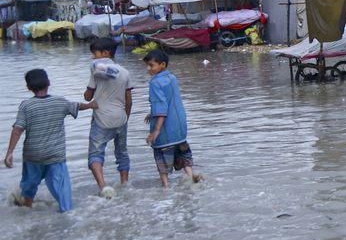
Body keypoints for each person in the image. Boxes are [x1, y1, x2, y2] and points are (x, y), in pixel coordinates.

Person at [5, 69, 97, 212]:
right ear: (48, 83)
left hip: (33, 155)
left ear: (28, 88)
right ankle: (66, 211)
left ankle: (27, 208)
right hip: (55, 154)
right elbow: (78, 106)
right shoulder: (59, 102)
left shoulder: (26, 106)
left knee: (29, 184)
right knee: (61, 187)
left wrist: (9, 153)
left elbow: (17, 129)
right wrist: (91, 105)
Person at [142, 50, 200, 188]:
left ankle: (166, 186)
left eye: (151, 65)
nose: (148, 69)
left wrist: (156, 130)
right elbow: (169, 101)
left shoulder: (155, 83)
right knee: (184, 154)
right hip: (179, 127)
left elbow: (161, 106)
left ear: (162, 65)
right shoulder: (172, 78)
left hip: (165, 130)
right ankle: (191, 177)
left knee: (162, 158)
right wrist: (152, 113)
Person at [84, 37, 133, 198]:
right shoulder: (125, 72)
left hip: (101, 119)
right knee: (122, 153)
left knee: (96, 155)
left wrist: (88, 94)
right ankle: (124, 184)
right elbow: (129, 100)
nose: (93, 57)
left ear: (105, 53)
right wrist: (126, 117)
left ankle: (103, 186)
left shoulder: (96, 70)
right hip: (121, 117)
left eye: (95, 53)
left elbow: (87, 96)